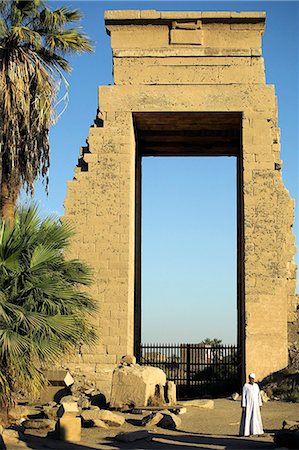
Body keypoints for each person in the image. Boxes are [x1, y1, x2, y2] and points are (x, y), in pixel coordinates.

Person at [239, 372, 264, 436]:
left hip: (255, 405)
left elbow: (258, 396)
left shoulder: (256, 386)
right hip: (248, 405)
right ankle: (247, 432)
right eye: (250, 378)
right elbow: (243, 396)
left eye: (252, 378)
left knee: (255, 417)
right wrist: (243, 405)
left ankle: (256, 431)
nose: (251, 380)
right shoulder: (246, 386)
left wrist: (260, 404)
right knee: (248, 417)